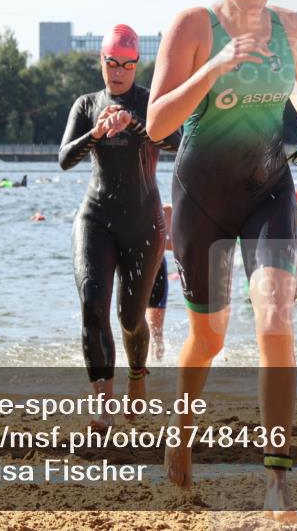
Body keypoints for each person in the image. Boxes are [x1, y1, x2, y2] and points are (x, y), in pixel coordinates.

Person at [147, 0, 297, 522]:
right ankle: (180, 432)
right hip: (201, 198)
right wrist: (216, 67)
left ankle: (277, 481)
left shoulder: (292, 27)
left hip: (267, 190)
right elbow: (156, 124)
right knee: (210, 339)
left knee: (275, 320)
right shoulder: (193, 26)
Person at [59, 24, 182, 429]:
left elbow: (178, 142)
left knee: (131, 319)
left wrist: (135, 124)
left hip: (142, 223)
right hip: (95, 218)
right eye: (112, 63)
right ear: (102, 61)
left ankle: (137, 375)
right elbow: (64, 158)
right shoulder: (87, 104)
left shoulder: (150, 101)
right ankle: (103, 403)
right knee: (92, 305)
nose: (118, 72)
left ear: (137, 65)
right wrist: (95, 133)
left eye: (127, 65)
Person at [146, 204, 173, 361]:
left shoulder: (165, 210)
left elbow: (174, 244)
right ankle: (137, 366)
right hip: (133, 270)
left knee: (156, 331)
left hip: (157, 269)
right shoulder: (126, 206)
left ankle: (157, 367)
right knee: (134, 326)